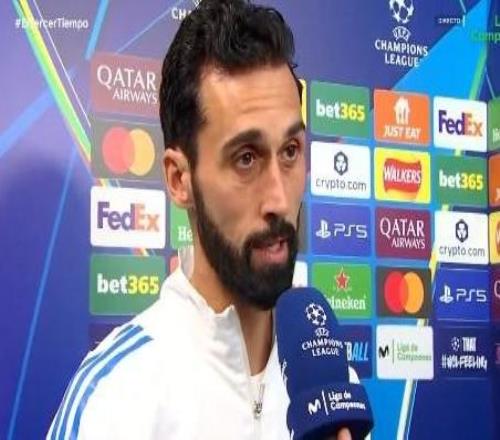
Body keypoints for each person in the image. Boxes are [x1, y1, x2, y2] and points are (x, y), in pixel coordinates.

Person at [47, 1, 354, 438]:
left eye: (290, 151)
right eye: (246, 158)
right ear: (179, 179)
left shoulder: (331, 389)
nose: (279, 198)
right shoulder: (115, 400)